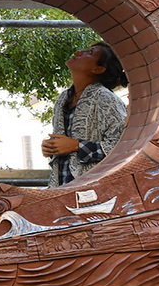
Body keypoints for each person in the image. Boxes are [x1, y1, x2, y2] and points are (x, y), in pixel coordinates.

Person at [41, 42, 128, 187]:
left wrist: (77, 146)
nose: (79, 51)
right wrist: (51, 148)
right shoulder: (63, 99)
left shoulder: (106, 99)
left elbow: (122, 148)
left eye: (90, 52)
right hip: (61, 188)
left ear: (98, 69)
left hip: (93, 190)